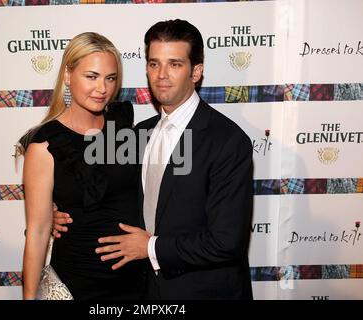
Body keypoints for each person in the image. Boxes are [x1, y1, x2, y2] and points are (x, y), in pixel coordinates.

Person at [54, 19, 253, 300]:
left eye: (175, 64)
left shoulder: (228, 141)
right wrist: (57, 210)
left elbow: (226, 241)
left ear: (196, 71)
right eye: (154, 63)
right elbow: (105, 189)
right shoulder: (139, 134)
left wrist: (149, 248)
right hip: (141, 290)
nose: (162, 74)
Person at [20, 32, 144, 300]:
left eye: (110, 78)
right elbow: (38, 232)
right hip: (77, 284)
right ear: (68, 75)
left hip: (135, 283)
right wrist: (29, 297)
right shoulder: (44, 145)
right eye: (92, 76)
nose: (102, 88)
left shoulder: (122, 124)